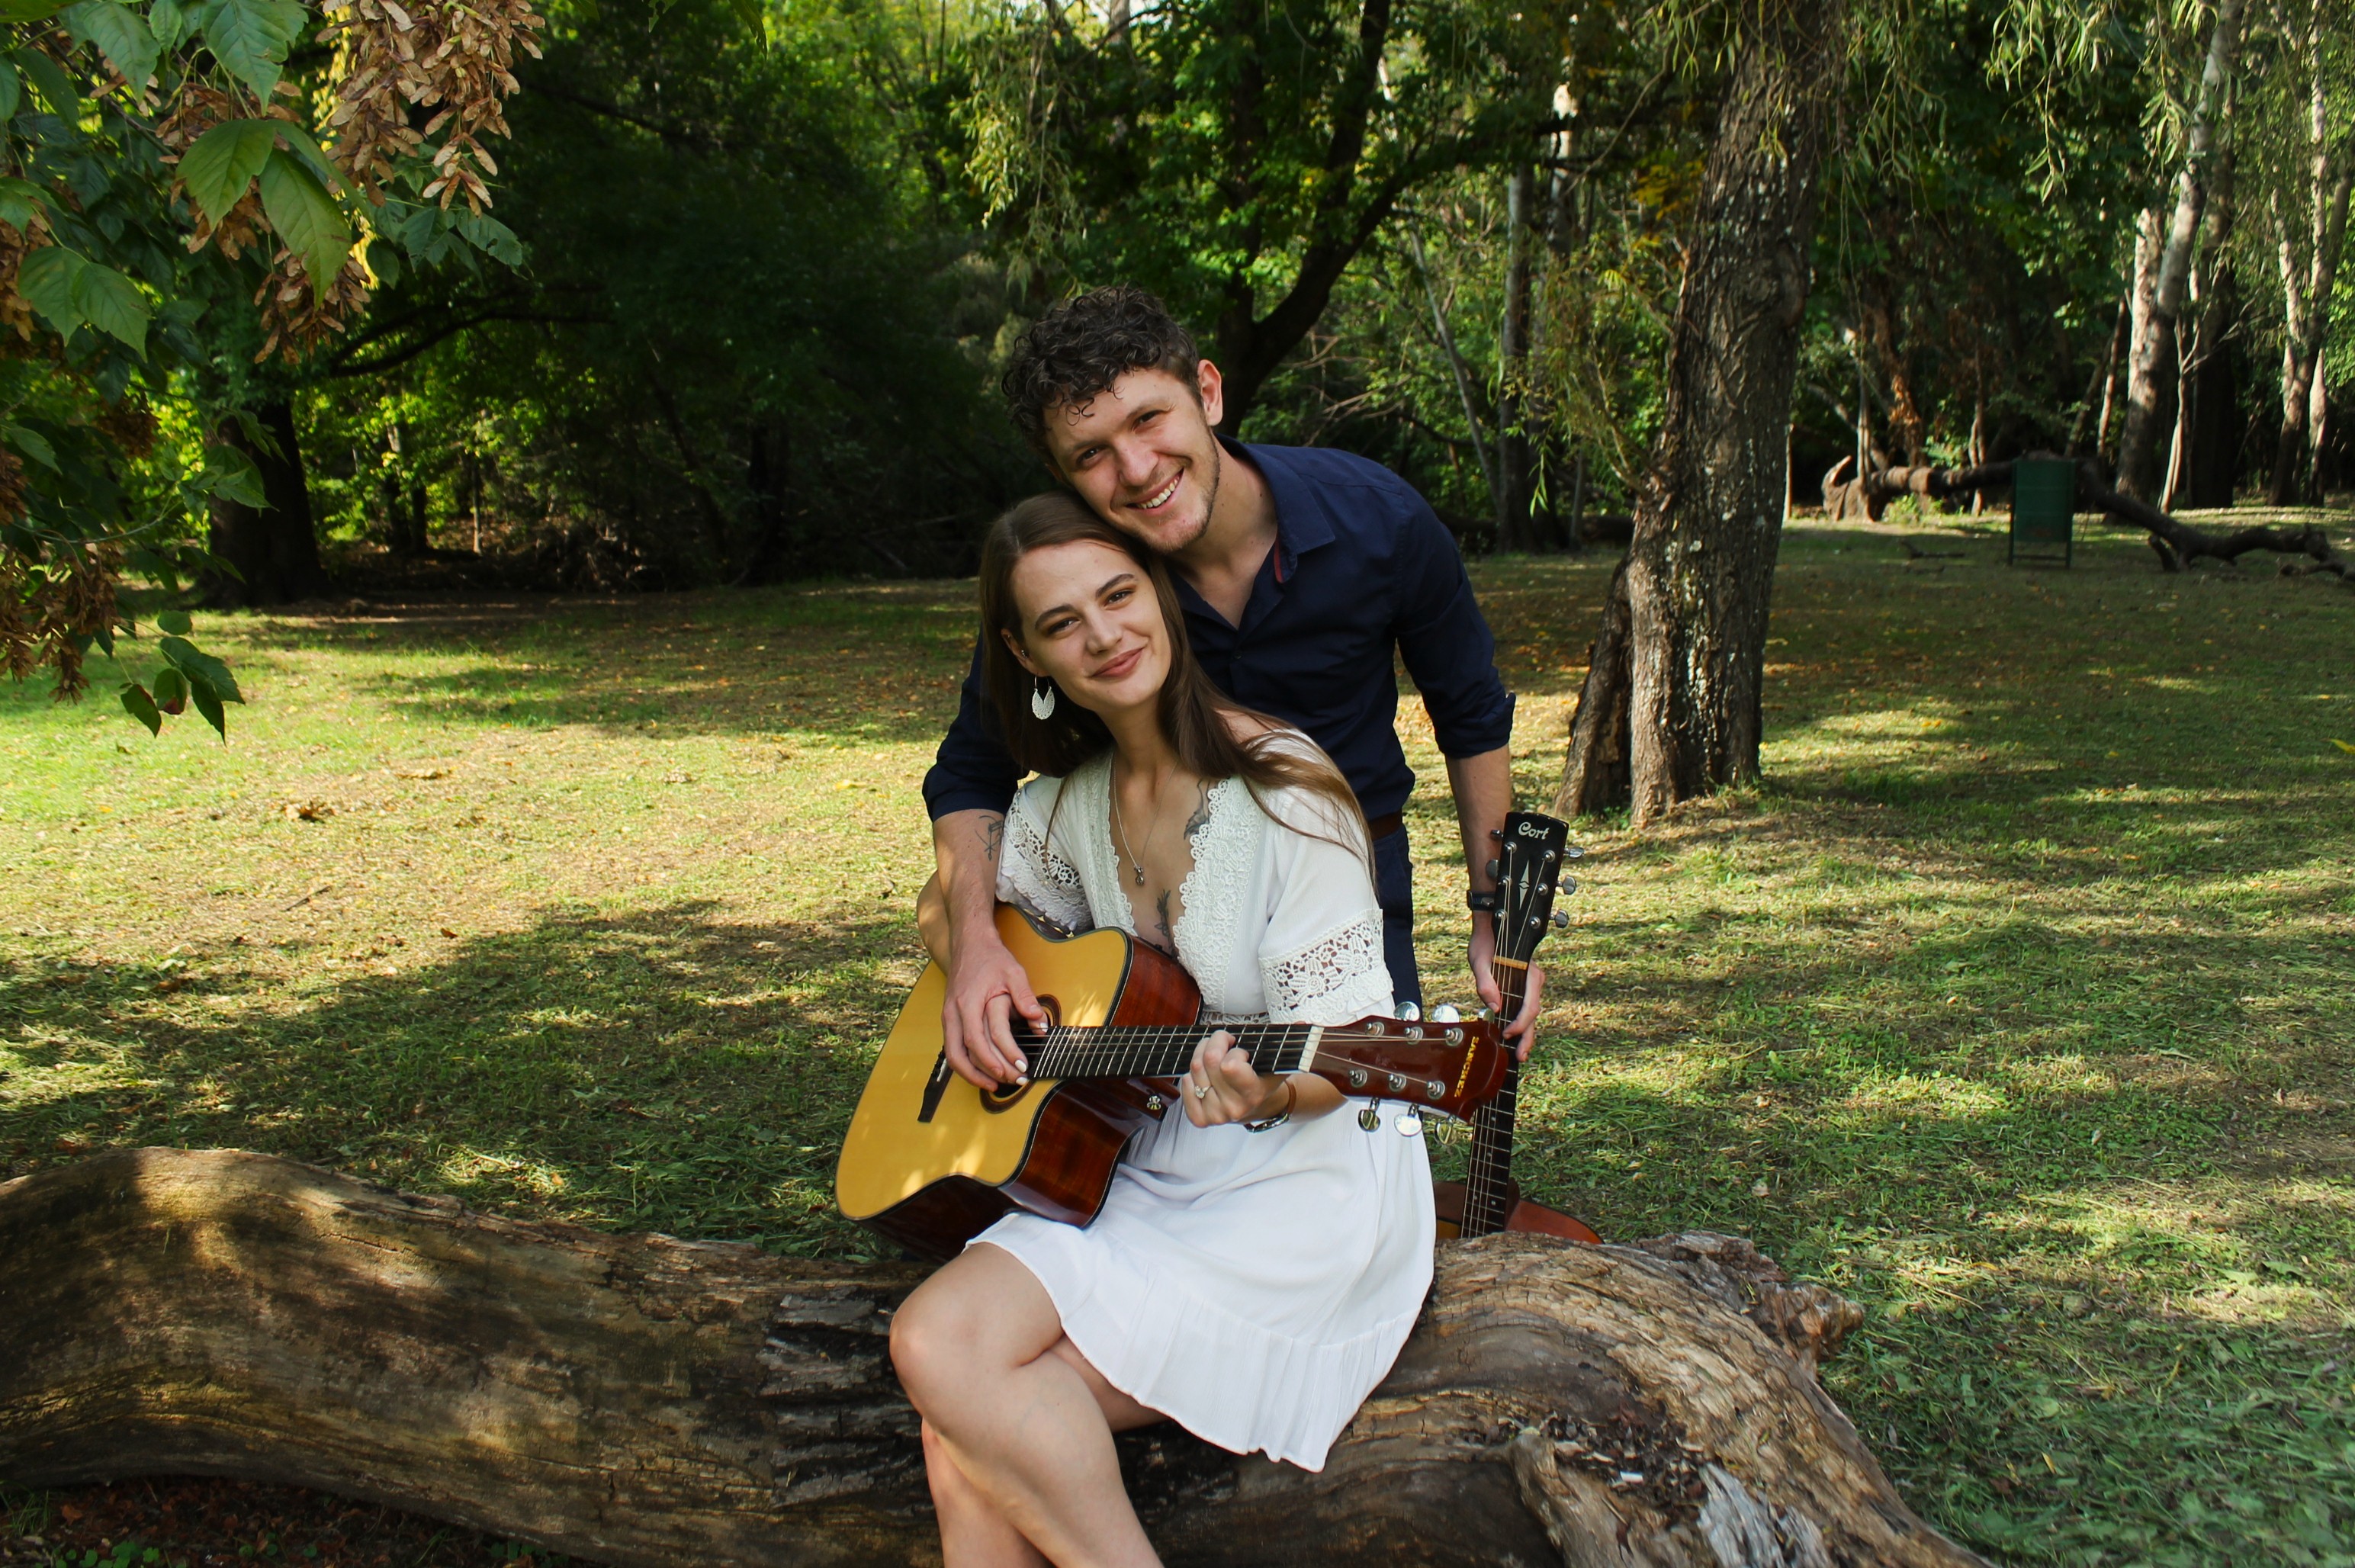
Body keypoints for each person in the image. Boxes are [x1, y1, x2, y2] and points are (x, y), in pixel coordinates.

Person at [898, 491, 1433, 1567]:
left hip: (1304, 1179)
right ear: (1028, 655)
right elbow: (944, 905)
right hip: (1139, 1159)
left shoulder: (1288, 790)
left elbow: (1350, 1041)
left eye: (1118, 593)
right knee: (945, 1357)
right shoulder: (1061, 813)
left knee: (954, 1402)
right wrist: (979, 956)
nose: (1103, 635)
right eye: (1061, 623)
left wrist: (1274, 1088)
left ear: (1164, 598)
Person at [922, 286, 1543, 1098]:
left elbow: (1469, 713)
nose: (1136, 469)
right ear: (1061, 474)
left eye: (1148, 419)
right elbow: (972, 770)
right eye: (1091, 453)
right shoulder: (1081, 574)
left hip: (1345, 879)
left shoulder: (1380, 522)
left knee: (1361, 1111)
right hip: (1150, 906)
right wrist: (974, 945)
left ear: (1207, 392)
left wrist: (1490, 912)